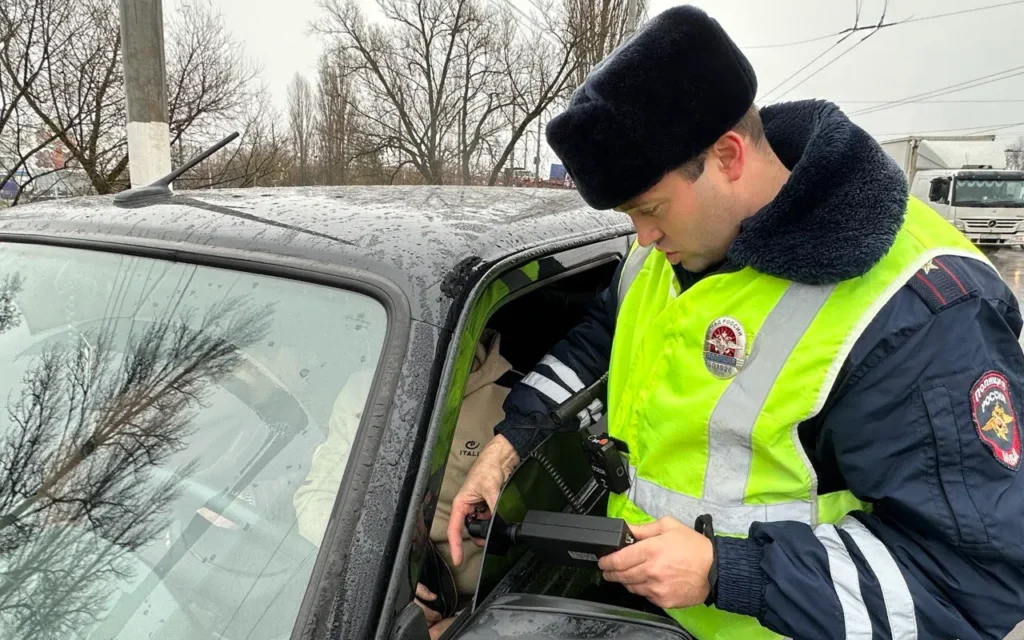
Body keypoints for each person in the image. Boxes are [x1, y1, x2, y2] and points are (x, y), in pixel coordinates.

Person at [446, 6, 1024, 640]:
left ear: (727, 156)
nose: (641, 237)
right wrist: (502, 453)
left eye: (650, 208)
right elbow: (601, 343)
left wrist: (729, 570)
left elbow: (970, 582)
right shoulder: (667, 253)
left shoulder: (916, 313)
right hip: (655, 617)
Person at [295, 329, 516, 639]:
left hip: (474, 609)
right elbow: (316, 497)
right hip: (366, 592)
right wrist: (376, 581)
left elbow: (531, 549)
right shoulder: (364, 388)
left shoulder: (516, 408)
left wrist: (468, 622)